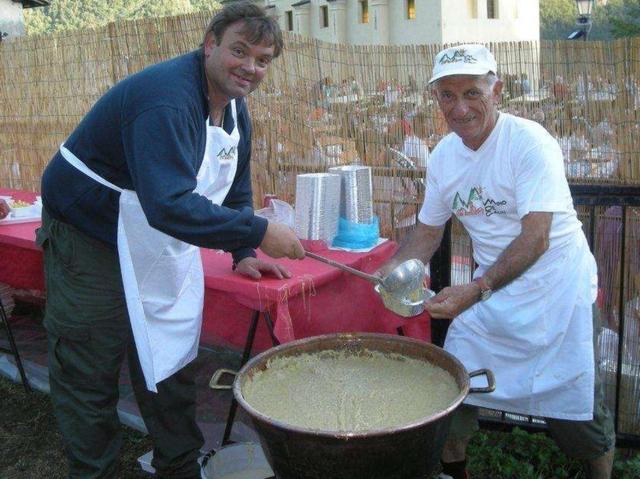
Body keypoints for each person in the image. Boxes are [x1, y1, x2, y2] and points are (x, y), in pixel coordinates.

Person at [37, 2, 304, 478]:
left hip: (159, 236)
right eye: (239, 51)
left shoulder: (236, 111)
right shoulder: (166, 98)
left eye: (263, 60)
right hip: (91, 231)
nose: (250, 67)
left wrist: (243, 251)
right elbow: (167, 204)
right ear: (209, 45)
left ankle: (178, 465)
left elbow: (235, 187)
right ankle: (93, 469)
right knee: (90, 362)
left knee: (171, 353)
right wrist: (260, 232)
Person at [378, 44, 615, 479]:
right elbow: (428, 232)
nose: (460, 107)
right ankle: (457, 471)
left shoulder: (529, 142)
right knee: (452, 398)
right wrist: (390, 274)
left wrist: (475, 289)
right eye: (447, 95)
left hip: (555, 291)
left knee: (578, 416)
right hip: (488, 297)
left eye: (472, 93)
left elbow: (537, 236)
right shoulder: (445, 156)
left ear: (497, 91)